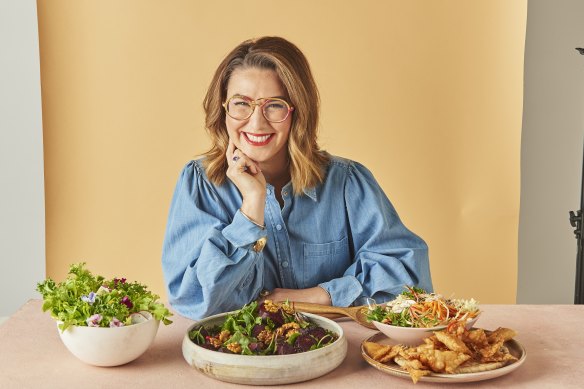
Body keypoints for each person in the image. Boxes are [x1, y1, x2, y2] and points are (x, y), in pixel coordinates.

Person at [162, 36, 433, 320]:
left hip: (341, 353)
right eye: (241, 103)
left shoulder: (347, 182)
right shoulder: (199, 184)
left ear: (297, 111)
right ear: (223, 109)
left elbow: (410, 279)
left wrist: (315, 297)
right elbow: (196, 299)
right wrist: (251, 211)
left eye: (274, 105)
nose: (256, 122)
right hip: (237, 361)